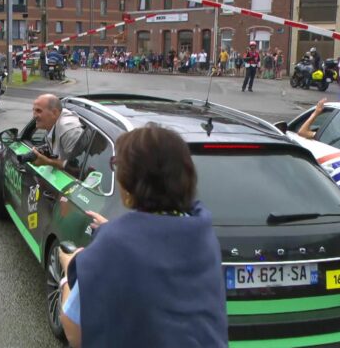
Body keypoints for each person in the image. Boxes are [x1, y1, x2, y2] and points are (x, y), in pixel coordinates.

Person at [58, 124, 228, 347]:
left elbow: (74, 331)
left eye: (117, 166)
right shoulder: (202, 234)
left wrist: (66, 277)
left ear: (129, 183)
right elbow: (156, 246)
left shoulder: (114, 245)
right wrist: (114, 231)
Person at [31, 94, 84, 169]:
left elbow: (77, 169)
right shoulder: (51, 124)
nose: (34, 115)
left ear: (54, 112)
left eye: (39, 111)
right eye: (33, 110)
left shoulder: (69, 131)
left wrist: (47, 162)